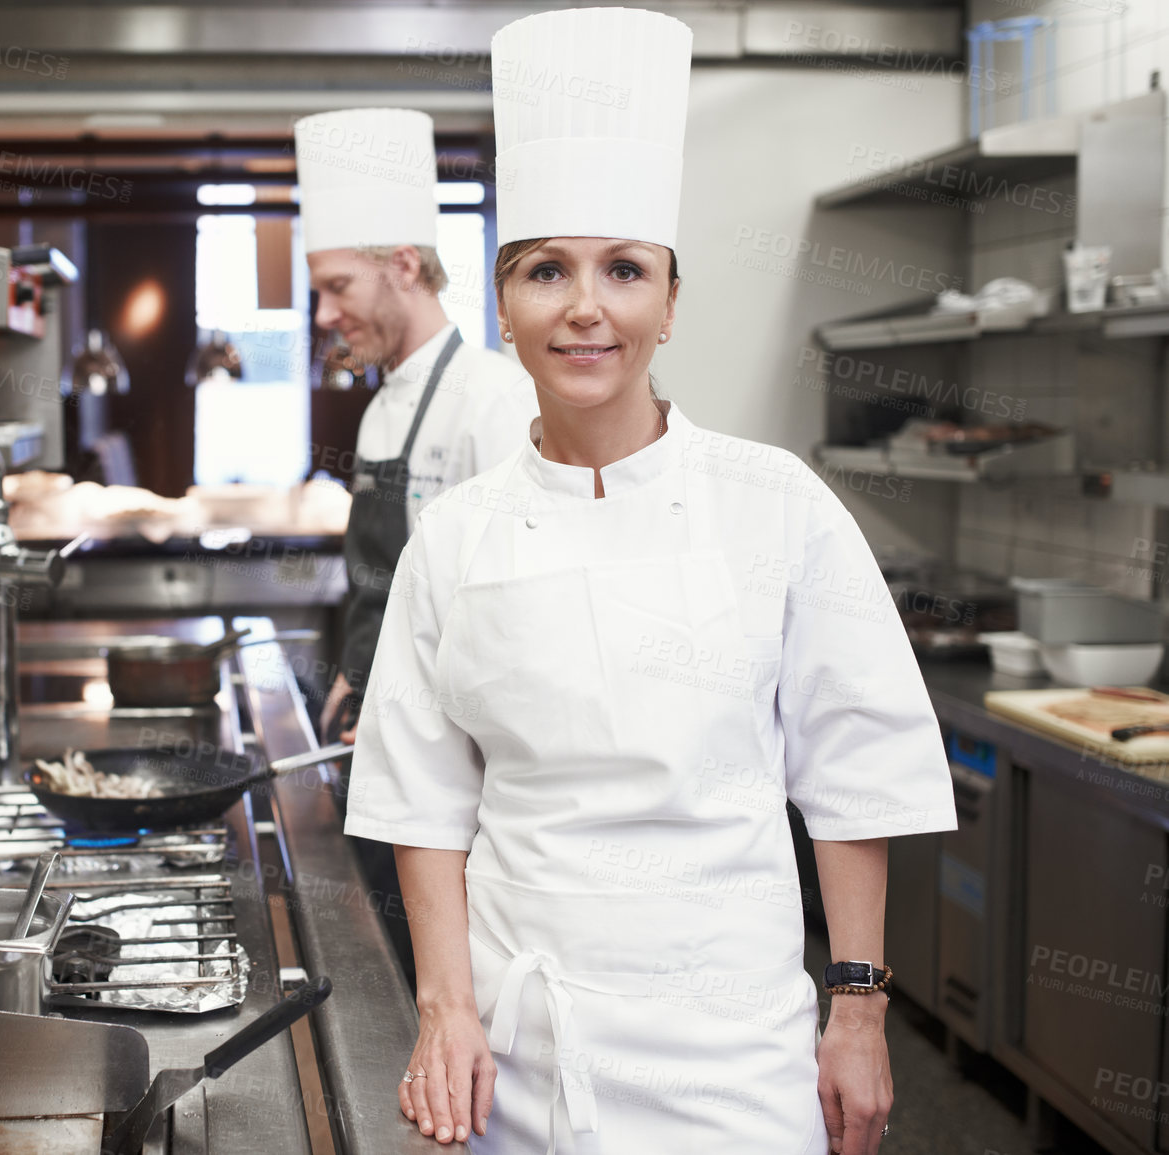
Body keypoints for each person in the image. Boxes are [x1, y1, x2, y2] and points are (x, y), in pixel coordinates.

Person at [342, 9, 958, 1155]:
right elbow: (421, 801)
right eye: (546, 271)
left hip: (735, 1056)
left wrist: (860, 1008)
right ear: (504, 304)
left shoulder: (774, 504)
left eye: (624, 270)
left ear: (670, 302)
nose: (586, 305)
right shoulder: (459, 538)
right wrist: (446, 1011)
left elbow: (855, 770)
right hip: (520, 1054)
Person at [294, 107, 537, 986]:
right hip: (379, 732)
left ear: (403, 266)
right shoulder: (378, 407)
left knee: (455, 976)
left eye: (336, 287)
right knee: (389, 970)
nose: (325, 313)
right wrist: (359, 676)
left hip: (459, 766)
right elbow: (380, 578)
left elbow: (517, 608)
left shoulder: (494, 401)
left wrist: (419, 712)